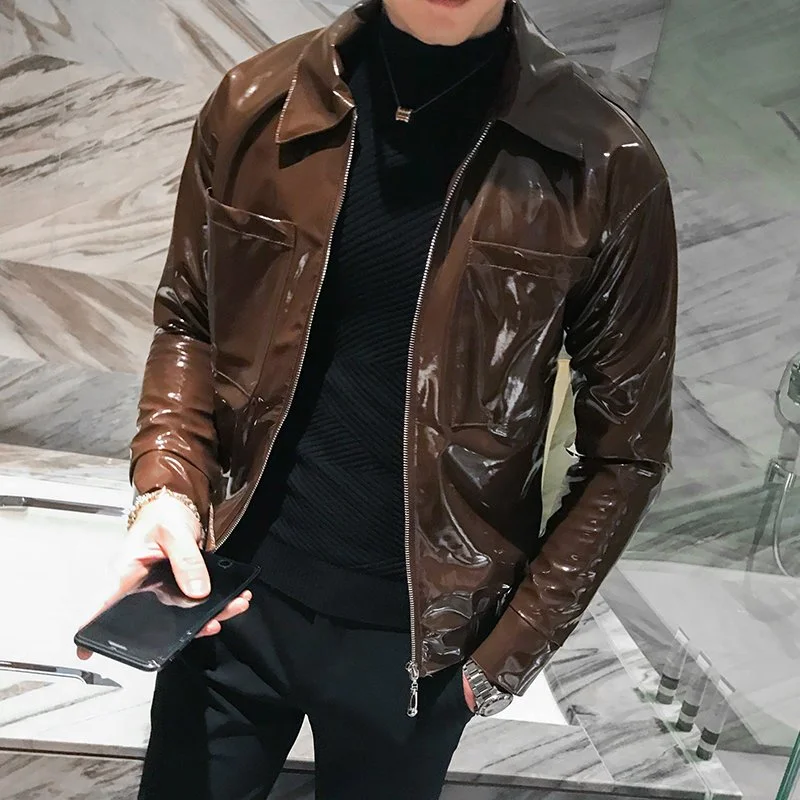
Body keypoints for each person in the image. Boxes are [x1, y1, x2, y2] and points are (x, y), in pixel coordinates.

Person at [79, 0, 678, 797]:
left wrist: (504, 658)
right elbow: (192, 321)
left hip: (418, 653)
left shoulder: (603, 162)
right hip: (229, 600)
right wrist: (167, 490)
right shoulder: (258, 102)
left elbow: (626, 455)